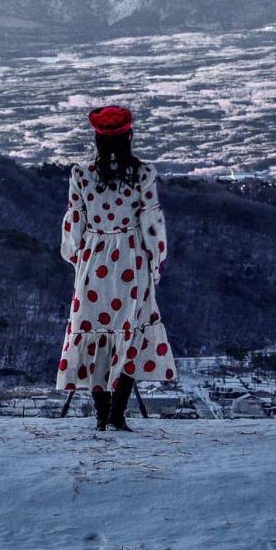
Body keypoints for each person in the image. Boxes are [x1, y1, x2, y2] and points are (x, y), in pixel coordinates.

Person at [56, 104, 177, 431]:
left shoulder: (80, 175)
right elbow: (152, 224)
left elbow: (74, 223)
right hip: (132, 259)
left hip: (93, 258)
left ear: (97, 139)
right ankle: (118, 416)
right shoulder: (143, 174)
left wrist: (77, 257)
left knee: (96, 334)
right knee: (130, 331)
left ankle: (100, 416)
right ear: (129, 137)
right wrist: (155, 262)